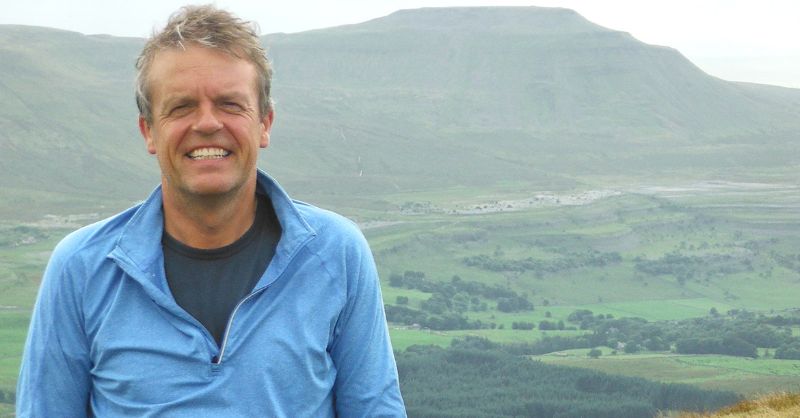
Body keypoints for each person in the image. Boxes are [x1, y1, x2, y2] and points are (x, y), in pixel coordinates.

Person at [16, 5, 406, 417]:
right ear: (149, 131)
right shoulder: (82, 267)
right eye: (181, 106)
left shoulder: (336, 252)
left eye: (230, 104)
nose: (206, 123)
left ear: (265, 124)